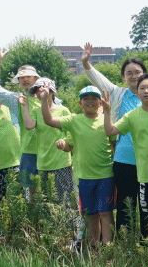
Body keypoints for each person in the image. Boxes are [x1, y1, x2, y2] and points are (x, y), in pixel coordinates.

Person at [81, 43, 148, 240]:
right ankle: (126, 243)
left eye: (137, 72)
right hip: (124, 159)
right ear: (123, 77)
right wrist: (85, 62)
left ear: (145, 74)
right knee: (126, 205)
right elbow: (97, 79)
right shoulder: (117, 93)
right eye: (129, 73)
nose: (134, 76)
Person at [40, 85, 115, 246]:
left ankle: (108, 249)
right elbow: (48, 120)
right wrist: (44, 99)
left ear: (100, 103)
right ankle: (93, 248)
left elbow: (114, 145)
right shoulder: (74, 120)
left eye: (94, 98)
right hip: (84, 176)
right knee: (91, 214)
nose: (90, 101)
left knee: (106, 213)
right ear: (80, 103)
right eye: (86, 99)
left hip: (106, 175)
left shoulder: (107, 120)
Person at [104, 72, 148, 240]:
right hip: (145, 175)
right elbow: (110, 131)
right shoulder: (132, 116)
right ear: (137, 93)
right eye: (142, 88)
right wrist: (107, 111)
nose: (146, 91)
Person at [20, 78, 76, 210]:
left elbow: (72, 136)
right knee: (45, 204)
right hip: (43, 164)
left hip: (61, 163)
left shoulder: (63, 110)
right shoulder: (36, 111)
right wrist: (26, 106)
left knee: (65, 203)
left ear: (52, 92)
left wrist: (70, 153)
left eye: (43, 91)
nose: (41, 94)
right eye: (37, 92)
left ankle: (68, 225)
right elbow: (29, 125)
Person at [0, 51, 40, 193]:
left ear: (36, 78)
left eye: (28, 76)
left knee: (50, 192)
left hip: (48, 151)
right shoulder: (17, 99)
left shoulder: (48, 98)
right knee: (31, 193)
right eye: (21, 77)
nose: (25, 79)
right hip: (29, 152)